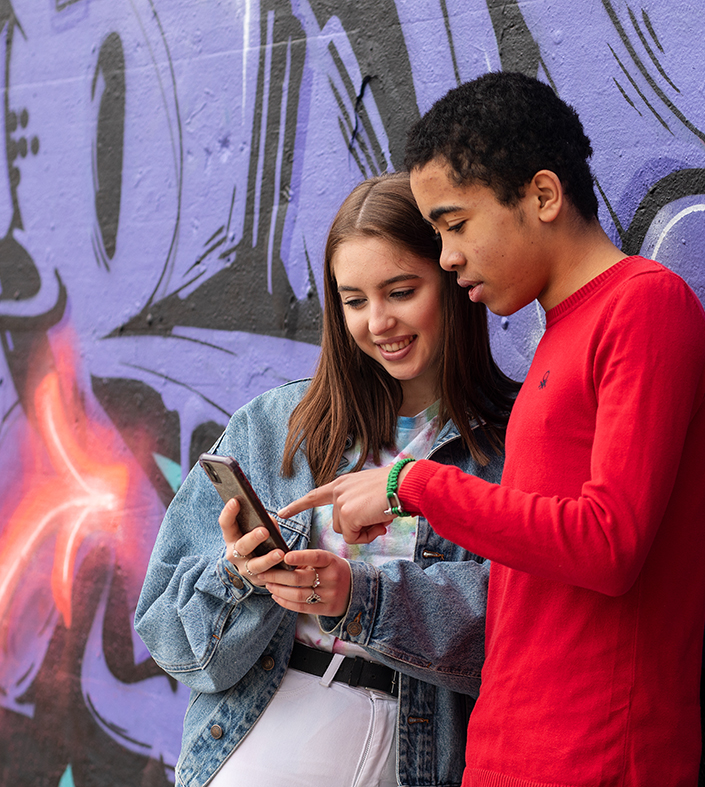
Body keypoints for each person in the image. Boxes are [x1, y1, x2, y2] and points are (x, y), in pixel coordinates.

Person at [278, 72, 705, 786]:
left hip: (600, 756)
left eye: (455, 224)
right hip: (508, 752)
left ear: (542, 196)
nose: (447, 256)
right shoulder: (557, 334)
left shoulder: (644, 306)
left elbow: (608, 544)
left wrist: (409, 483)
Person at [134, 172, 518, 787]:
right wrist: (241, 576)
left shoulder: (512, 442)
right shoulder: (273, 427)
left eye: (400, 291)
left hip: (424, 748)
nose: (378, 322)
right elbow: (170, 639)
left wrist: (358, 595)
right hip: (268, 731)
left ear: (451, 278)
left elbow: (522, 626)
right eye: (354, 300)